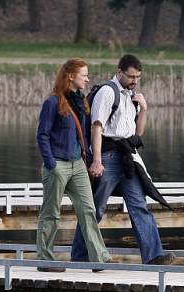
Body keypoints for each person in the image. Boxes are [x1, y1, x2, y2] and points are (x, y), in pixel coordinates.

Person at [70, 54, 174, 266]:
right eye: (130, 76)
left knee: (139, 205)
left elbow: (137, 133)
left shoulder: (131, 95)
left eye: (137, 77)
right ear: (119, 72)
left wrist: (144, 109)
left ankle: (154, 256)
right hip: (108, 156)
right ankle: (79, 256)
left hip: (128, 157)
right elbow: (96, 127)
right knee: (95, 209)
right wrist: (96, 161)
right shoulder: (108, 92)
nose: (134, 80)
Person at [36, 59, 111, 273]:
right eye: (84, 75)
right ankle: (45, 259)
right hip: (57, 165)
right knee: (51, 213)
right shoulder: (52, 102)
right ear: (70, 76)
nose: (87, 79)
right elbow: (42, 135)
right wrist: (51, 163)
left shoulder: (81, 102)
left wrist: (86, 159)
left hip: (77, 165)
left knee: (88, 209)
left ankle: (99, 257)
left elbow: (82, 135)